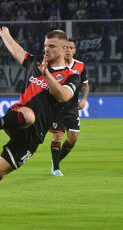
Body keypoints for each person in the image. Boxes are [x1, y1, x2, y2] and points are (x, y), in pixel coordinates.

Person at [0, 27, 81, 219]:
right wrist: (5, 35)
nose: (46, 49)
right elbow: (17, 51)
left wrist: (46, 75)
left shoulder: (72, 76)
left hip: (34, 136)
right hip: (18, 115)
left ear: (64, 49)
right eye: (45, 45)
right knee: (29, 116)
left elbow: (63, 96)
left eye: (52, 46)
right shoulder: (36, 62)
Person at [49, 38, 89, 176]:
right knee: (57, 137)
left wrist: (83, 99)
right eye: (65, 47)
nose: (68, 50)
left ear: (74, 50)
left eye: (71, 48)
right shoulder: (53, 65)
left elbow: (85, 84)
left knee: (73, 138)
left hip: (72, 108)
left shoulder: (80, 66)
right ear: (61, 49)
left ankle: (56, 161)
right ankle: (56, 169)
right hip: (56, 108)